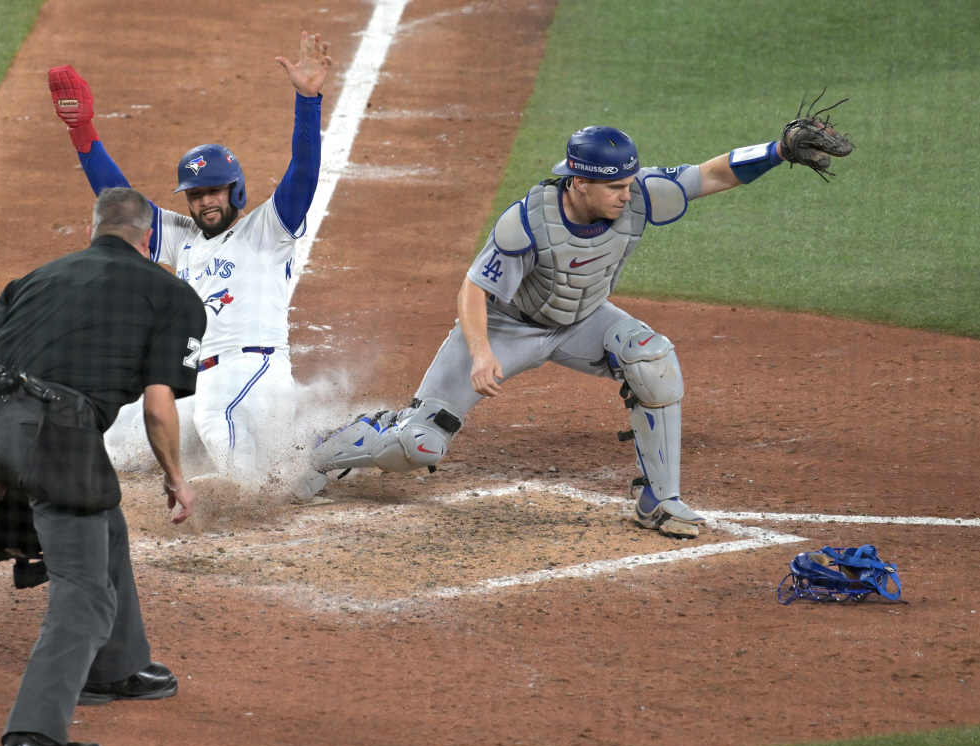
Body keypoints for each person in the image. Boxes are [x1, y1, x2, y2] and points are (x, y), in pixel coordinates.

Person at [296, 115, 854, 536]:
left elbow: (711, 174)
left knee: (652, 359)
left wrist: (778, 150)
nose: (627, 195)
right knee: (419, 445)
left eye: (630, 183)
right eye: (615, 187)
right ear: (579, 183)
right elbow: (473, 290)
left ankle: (659, 500)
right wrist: (482, 352)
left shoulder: (635, 196)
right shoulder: (527, 222)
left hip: (582, 322)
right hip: (507, 329)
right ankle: (327, 450)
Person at [0, 187, 207, 746]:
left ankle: (114, 667)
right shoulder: (172, 294)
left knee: (103, 520)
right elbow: (158, 407)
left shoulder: (34, 279)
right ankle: (31, 742)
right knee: (84, 593)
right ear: (148, 239)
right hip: (53, 435)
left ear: (91, 230)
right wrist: (176, 479)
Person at [47, 31, 332, 488]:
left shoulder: (268, 229)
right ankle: (289, 459)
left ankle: (279, 481)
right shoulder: (184, 238)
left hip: (253, 373)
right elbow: (120, 201)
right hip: (200, 380)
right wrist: (82, 131)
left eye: (214, 191)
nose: (205, 202)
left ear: (235, 190)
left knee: (221, 427)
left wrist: (308, 102)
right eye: (195, 194)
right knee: (119, 434)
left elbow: (303, 173)